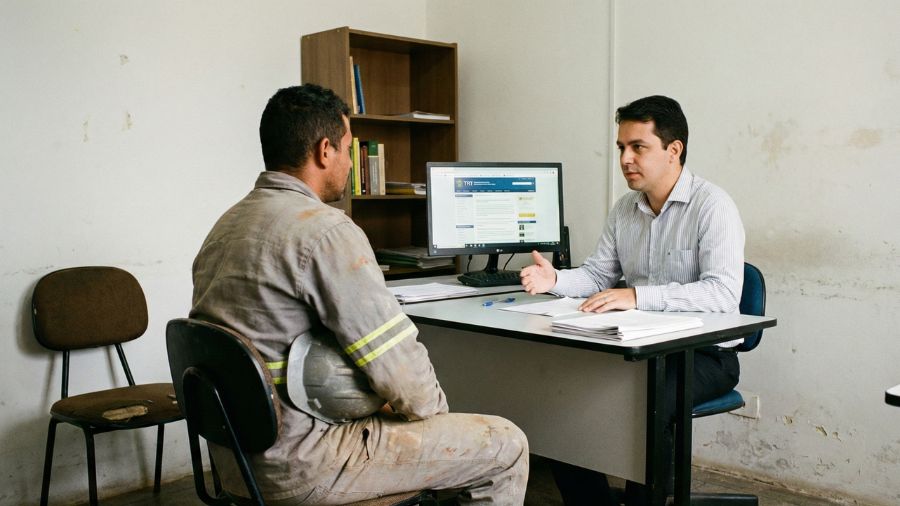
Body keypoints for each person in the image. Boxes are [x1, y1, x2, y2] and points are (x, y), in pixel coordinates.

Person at [190, 84, 529, 505]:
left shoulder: (226, 225)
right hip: (306, 465)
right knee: (505, 445)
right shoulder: (325, 230)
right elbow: (402, 374)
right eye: (348, 149)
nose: (350, 164)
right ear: (324, 150)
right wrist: (435, 424)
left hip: (237, 465)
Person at [520, 95, 745, 505]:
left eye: (638, 147)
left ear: (673, 150)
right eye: (622, 147)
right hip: (637, 350)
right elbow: (596, 276)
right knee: (561, 400)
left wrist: (637, 295)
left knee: (646, 408)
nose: (625, 158)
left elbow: (723, 294)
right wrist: (555, 279)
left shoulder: (713, 207)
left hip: (703, 356)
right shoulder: (626, 209)